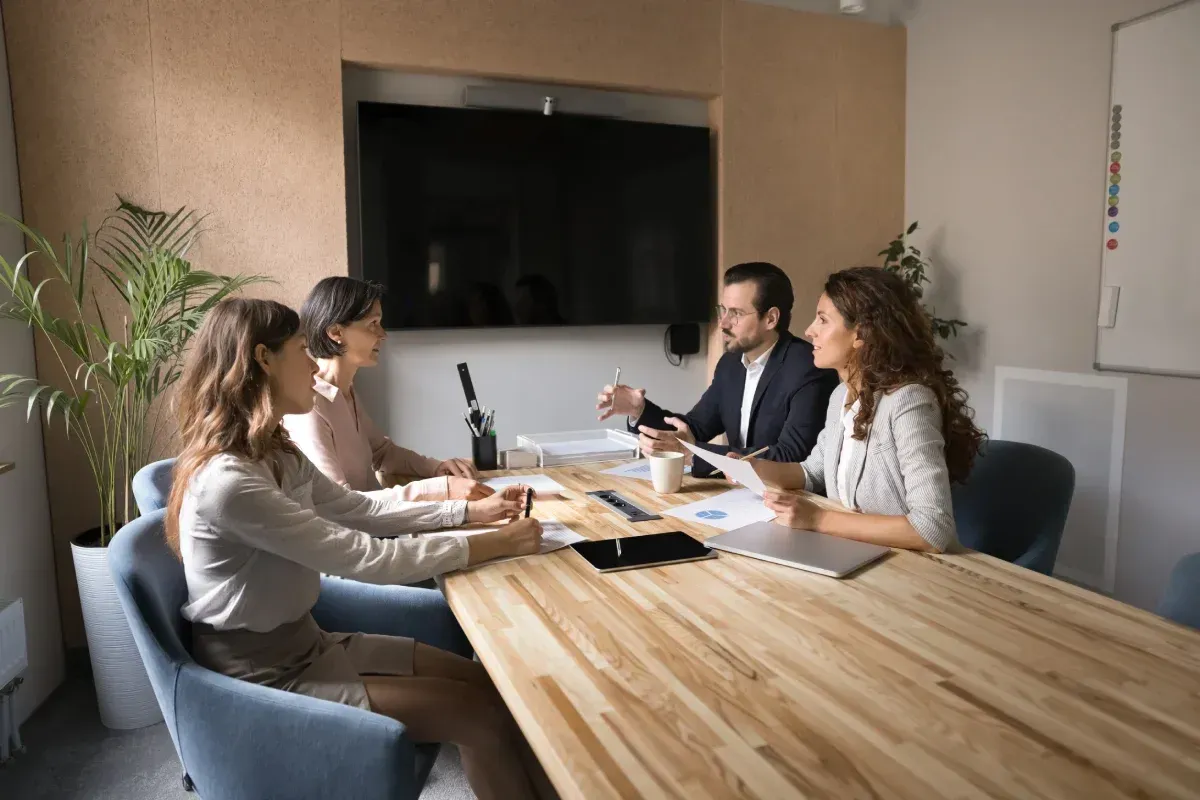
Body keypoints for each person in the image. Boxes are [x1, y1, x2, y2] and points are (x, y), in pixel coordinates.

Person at [165, 297, 548, 799]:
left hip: (309, 643)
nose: (312, 364)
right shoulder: (228, 482)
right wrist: (495, 545)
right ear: (263, 359)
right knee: (475, 715)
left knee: (490, 690)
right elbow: (368, 556)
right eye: (302, 350)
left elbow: (360, 510)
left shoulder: (275, 452)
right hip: (265, 677)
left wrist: (467, 513)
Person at [751, 267, 986, 553]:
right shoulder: (841, 395)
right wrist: (752, 468)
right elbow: (812, 473)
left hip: (911, 567)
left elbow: (932, 528)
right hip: (852, 551)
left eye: (822, 320)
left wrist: (818, 518)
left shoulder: (908, 402)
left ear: (860, 334)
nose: (809, 330)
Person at [596, 262, 838, 477]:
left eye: (736, 313)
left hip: (788, 502)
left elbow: (791, 457)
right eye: (723, 310)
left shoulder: (809, 368)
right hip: (738, 496)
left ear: (771, 319)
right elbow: (694, 429)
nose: (723, 323)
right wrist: (639, 410)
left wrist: (693, 454)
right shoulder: (730, 364)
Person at [284, 277, 490, 503]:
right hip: (357, 534)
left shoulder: (345, 391)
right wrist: (441, 489)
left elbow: (382, 452)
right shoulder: (310, 407)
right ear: (336, 332)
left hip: (377, 525)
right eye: (373, 324)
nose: (383, 334)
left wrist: (437, 467)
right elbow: (339, 504)